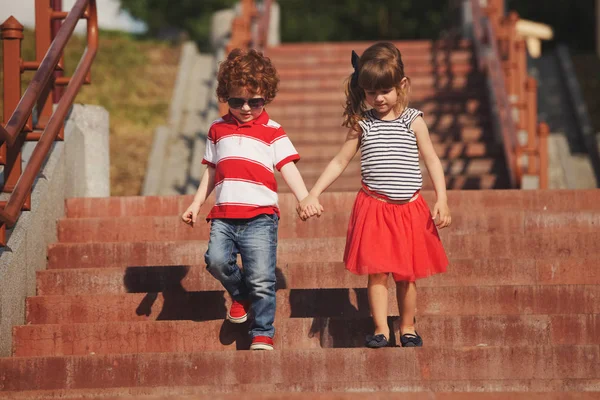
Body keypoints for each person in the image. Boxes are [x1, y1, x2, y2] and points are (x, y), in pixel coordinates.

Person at [298, 42, 451, 348]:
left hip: (410, 209)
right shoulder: (363, 124)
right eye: (371, 92)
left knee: (407, 275)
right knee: (377, 274)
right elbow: (340, 160)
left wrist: (442, 199)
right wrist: (312, 193)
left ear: (401, 85)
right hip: (375, 208)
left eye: (385, 91)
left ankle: (407, 327)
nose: (378, 98)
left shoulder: (413, 120)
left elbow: (432, 159)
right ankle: (381, 328)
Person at [182, 48, 321, 351]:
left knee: (261, 277)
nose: (245, 108)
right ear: (225, 97)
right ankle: (240, 294)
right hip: (223, 215)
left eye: (254, 102)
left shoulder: (273, 132)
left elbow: (287, 167)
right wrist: (196, 204)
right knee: (216, 260)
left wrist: (305, 197)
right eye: (236, 101)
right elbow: (211, 171)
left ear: (266, 96)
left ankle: (262, 331)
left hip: (260, 216)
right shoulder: (217, 129)